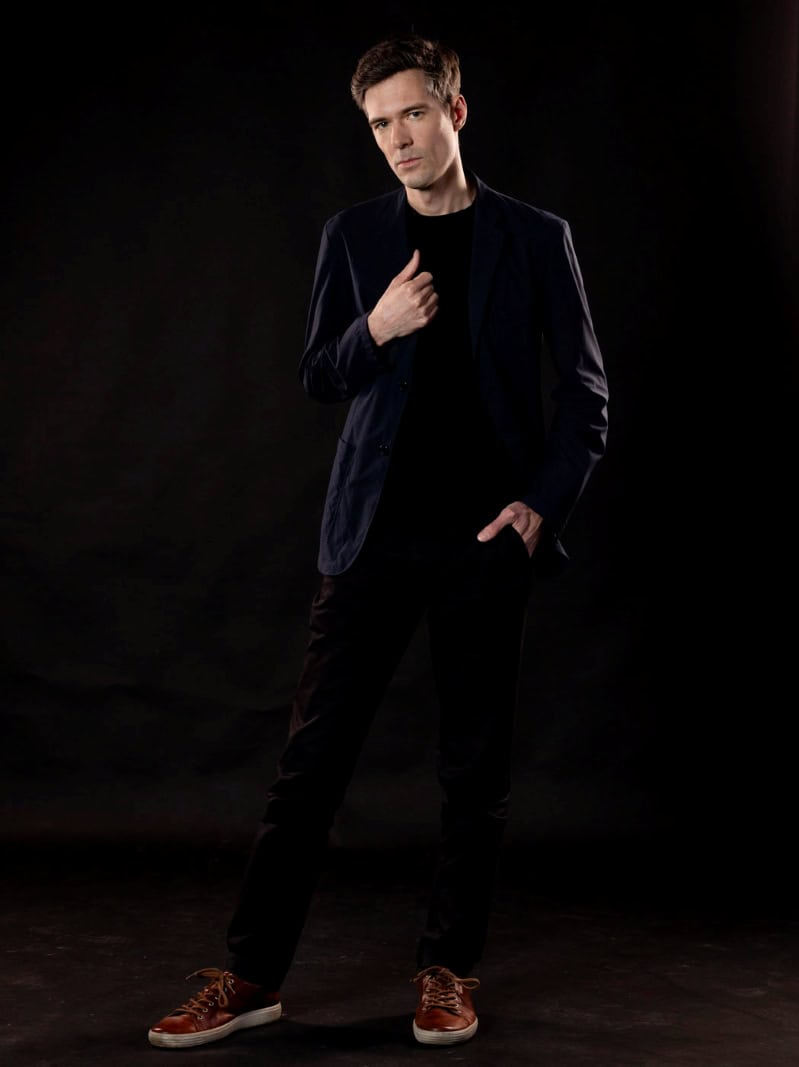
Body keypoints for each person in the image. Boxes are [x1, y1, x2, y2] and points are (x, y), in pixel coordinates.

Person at [147, 31, 608, 1050]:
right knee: (309, 768)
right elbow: (320, 372)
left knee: (473, 775)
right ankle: (250, 975)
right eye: (378, 123)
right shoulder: (352, 235)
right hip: (370, 540)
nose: (397, 138)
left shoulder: (537, 237)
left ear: (455, 111)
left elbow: (585, 395)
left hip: (485, 541)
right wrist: (378, 326)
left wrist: (539, 507)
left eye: (412, 114)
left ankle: (448, 971)